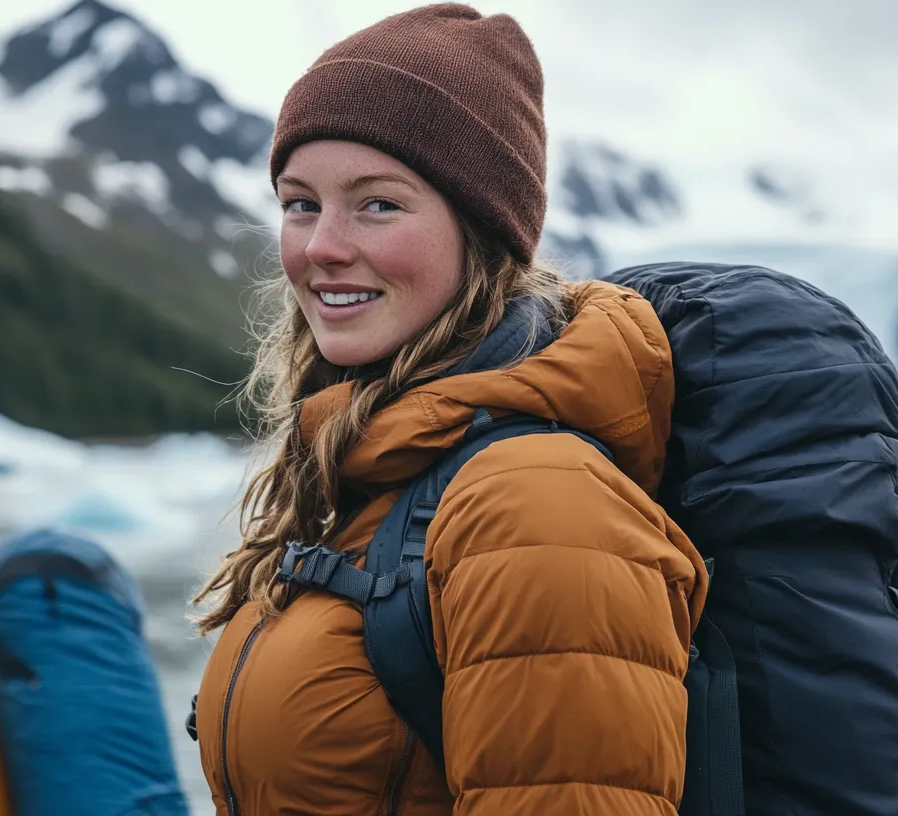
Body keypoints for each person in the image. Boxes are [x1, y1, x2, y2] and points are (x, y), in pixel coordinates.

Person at [191, 4, 708, 814]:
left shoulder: (536, 502)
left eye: (378, 204)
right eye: (300, 203)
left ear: (481, 230)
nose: (321, 245)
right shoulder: (376, 467)